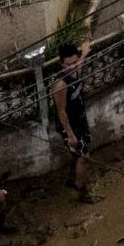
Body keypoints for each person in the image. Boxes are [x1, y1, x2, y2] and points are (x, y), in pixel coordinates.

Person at [51, 40, 97, 203]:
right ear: (61, 64)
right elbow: (61, 112)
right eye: (68, 64)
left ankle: (72, 180)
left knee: (78, 155)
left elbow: (81, 61)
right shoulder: (60, 84)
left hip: (80, 119)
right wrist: (70, 135)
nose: (73, 67)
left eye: (75, 62)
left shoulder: (77, 68)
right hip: (69, 125)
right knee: (83, 157)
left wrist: (84, 52)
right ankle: (83, 192)